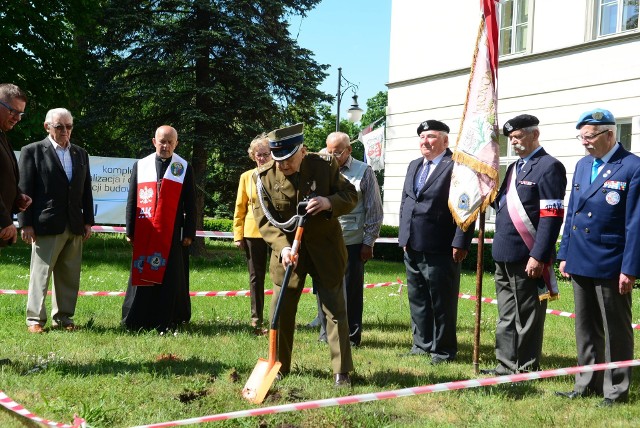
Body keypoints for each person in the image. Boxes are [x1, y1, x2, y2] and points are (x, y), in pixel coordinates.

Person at [253, 123, 357, 387]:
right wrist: (283, 248)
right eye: (278, 159)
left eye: (288, 158)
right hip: (289, 254)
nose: (283, 165)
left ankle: (341, 370)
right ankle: (278, 366)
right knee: (281, 310)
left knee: (335, 310)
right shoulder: (264, 177)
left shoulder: (325, 166)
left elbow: (350, 195)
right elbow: (265, 221)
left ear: (302, 150)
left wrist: (328, 203)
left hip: (326, 250)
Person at [556, 108, 640, 407]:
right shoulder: (581, 165)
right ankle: (586, 383)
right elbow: (573, 211)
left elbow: (635, 223)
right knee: (585, 327)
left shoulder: (632, 167)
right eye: (581, 137)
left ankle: (616, 390)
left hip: (611, 261)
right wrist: (564, 253)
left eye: (589, 137)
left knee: (616, 329)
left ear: (610, 134)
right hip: (580, 257)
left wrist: (629, 269)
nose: (584, 142)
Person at [480, 114, 566, 375]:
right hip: (504, 252)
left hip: (527, 254)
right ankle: (505, 365)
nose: (513, 143)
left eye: (517, 137)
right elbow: (503, 205)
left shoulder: (549, 166)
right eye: (511, 139)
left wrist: (539, 255)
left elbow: (551, 216)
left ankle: (526, 367)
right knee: (506, 314)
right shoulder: (514, 168)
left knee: (528, 315)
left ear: (534, 135)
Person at [398, 119, 474, 364]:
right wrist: (403, 235)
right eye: (421, 137)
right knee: (418, 298)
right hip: (412, 244)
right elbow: (406, 201)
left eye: (430, 136)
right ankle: (422, 344)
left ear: (445, 140)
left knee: (442, 302)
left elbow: (467, 205)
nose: (425, 141)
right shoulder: (414, 165)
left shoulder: (457, 166)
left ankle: (443, 350)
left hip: (442, 245)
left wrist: (461, 241)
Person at [18, 108, 94, 333]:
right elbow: (24, 189)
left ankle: (63, 318)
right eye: (59, 126)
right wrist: (26, 224)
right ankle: (35, 320)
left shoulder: (81, 154)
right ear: (47, 127)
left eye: (69, 126)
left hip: (74, 224)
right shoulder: (32, 151)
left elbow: (85, 190)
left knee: (69, 275)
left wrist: (88, 221)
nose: (65, 131)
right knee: (40, 275)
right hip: (45, 224)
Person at [121, 125, 196, 332]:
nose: (166, 146)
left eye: (170, 142)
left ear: (176, 144)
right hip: (145, 231)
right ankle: (138, 318)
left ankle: (167, 318)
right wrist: (130, 230)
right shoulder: (141, 165)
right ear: (154, 142)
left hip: (171, 234)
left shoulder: (183, 167)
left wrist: (189, 232)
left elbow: (191, 204)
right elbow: (132, 199)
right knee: (143, 273)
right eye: (162, 141)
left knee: (169, 277)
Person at [316, 132, 383, 346]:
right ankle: (326, 334)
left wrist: (368, 242)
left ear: (349, 150)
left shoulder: (364, 171)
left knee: (350, 292)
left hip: (351, 241)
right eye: (329, 151)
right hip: (324, 240)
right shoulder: (320, 167)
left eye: (338, 152)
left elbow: (374, 209)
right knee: (324, 288)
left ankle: (352, 337)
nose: (333, 156)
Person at [233, 134, 271, 334]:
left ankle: (277, 319)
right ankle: (256, 320)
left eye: (266, 154)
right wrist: (238, 235)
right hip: (252, 233)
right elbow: (240, 207)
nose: (262, 158)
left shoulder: (279, 174)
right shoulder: (246, 177)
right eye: (259, 155)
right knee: (256, 277)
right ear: (253, 156)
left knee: (279, 276)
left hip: (276, 233)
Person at [0, 83, 31, 251]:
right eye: (13, 111)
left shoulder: (2, 135)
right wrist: (5, 221)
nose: (18, 118)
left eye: (21, 113)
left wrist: (18, 197)